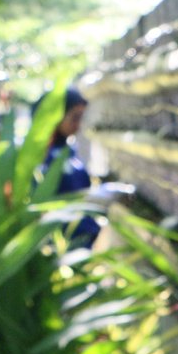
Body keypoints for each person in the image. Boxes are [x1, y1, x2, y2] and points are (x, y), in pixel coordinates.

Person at [43, 87, 101, 247]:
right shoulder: (41, 158)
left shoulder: (68, 150)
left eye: (81, 117)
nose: (78, 124)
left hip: (80, 238)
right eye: (74, 117)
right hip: (59, 244)